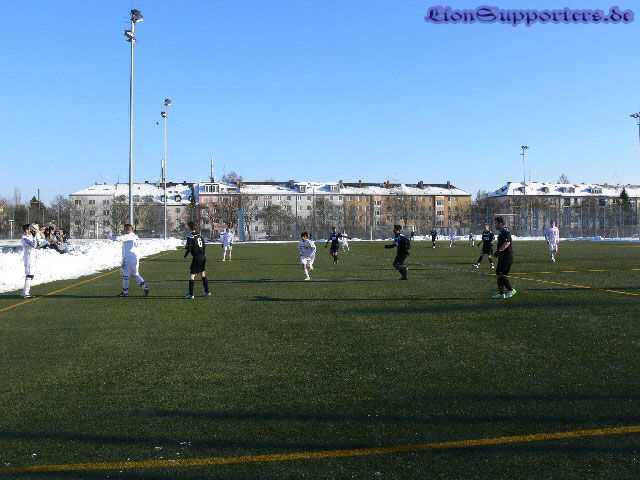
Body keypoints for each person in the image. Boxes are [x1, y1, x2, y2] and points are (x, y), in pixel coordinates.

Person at [114, 224, 149, 297]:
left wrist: (109, 236)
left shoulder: (128, 236)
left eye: (125, 229)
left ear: (127, 229)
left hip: (127, 259)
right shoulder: (136, 236)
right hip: (135, 258)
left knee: (125, 276)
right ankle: (145, 287)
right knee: (136, 274)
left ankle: (125, 292)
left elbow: (117, 238)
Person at [184, 221, 210, 299]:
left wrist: (185, 255)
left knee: (192, 274)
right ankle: (207, 291)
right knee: (202, 273)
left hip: (197, 257)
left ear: (190, 228)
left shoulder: (190, 237)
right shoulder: (200, 236)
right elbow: (204, 245)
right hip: (203, 256)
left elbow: (189, 248)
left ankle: (191, 294)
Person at [492, 216, 516, 299]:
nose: (495, 225)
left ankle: (511, 290)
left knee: (500, 274)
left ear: (500, 223)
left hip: (507, 256)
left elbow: (507, 242)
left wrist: (499, 250)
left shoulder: (505, 231)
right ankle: (501, 294)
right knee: (499, 274)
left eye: (496, 223)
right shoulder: (501, 231)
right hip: (503, 256)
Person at [21, 224, 37, 298]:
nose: (31, 230)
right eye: (30, 229)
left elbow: (35, 245)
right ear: (26, 230)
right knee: (29, 275)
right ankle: (26, 293)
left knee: (31, 276)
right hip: (28, 260)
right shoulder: (24, 239)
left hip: (32, 259)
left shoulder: (30, 237)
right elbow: (32, 245)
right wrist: (34, 237)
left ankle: (24, 293)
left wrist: (34, 236)